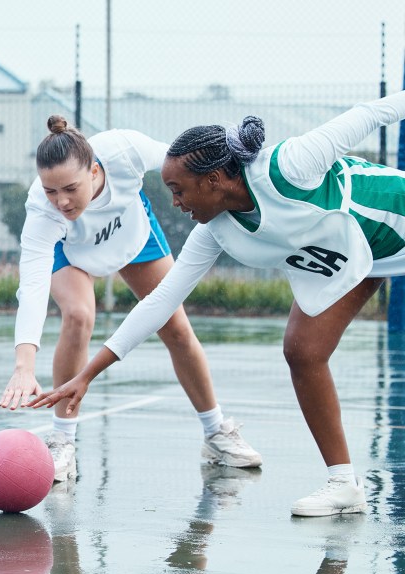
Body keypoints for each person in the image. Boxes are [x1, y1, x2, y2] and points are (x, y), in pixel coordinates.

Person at [28, 90, 405, 517]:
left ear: (213, 181)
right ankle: (343, 484)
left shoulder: (290, 166)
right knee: (303, 351)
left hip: (397, 222)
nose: (173, 202)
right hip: (360, 258)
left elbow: (373, 111)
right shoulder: (214, 231)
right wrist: (87, 376)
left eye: (177, 189)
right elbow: (158, 302)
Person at [0, 116, 261, 481]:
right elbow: (31, 289)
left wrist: (242, 167)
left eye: (70, 188)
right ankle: (62, 443)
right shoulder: (43, 214)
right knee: (78, 316)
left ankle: (216, 433)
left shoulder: (124, 150)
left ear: (93, 171)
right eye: (50, 191)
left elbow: (182, 158)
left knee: (177, 329)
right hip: (72, 251)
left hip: (132, 234)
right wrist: (24, 366)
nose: (60, 200)